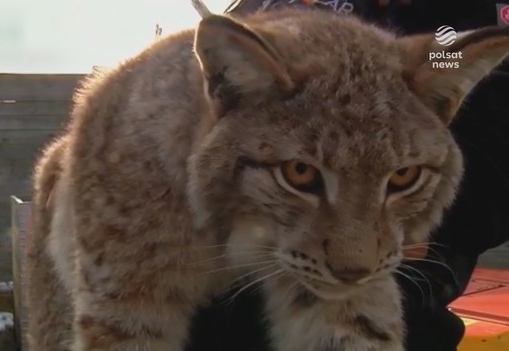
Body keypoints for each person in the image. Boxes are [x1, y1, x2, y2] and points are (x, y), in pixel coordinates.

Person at [184, 1, 509, 350]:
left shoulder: (473, 24)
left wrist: (421, 218)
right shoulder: (270, 8)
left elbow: (497, 163)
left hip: (396, 269)